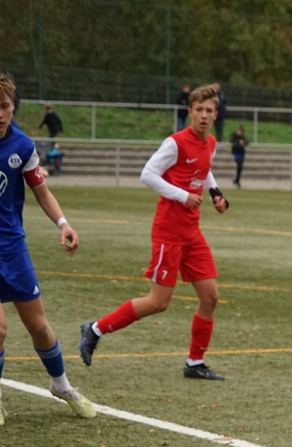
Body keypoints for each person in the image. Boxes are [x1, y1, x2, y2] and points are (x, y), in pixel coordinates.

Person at [78, 84, 231, 381]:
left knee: (210, 296)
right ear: (190, 112)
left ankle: (195, 362)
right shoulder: (175, 143)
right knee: (158, 302)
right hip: (168, 233)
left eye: (209, 110)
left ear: (216, 114)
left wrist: (216, 194)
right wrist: (182, 195)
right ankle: (95, 329)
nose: (203, 115)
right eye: (198, 110)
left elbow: (204, 169)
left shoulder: (210, 142)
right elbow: (147, 174)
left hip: (192, 233)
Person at [0, 74, 97, 425]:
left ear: (13, 107)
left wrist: (63, 224)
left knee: (39, 328)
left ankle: (61, 385)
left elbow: (41, 192)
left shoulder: (22, 146)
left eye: (4, 106)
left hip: (11, 248)